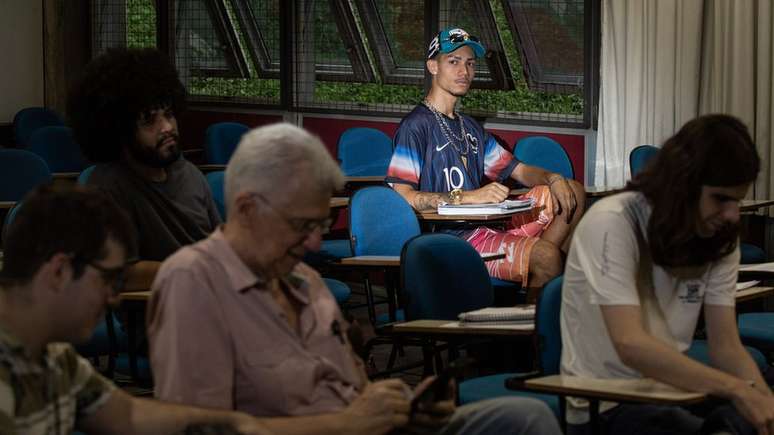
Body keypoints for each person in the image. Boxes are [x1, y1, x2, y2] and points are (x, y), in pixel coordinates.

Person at [148, 123, 562, 435]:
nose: (315, 241)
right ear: (247, 208)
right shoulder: (193, 282)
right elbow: (200, 427)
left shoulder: (305, 283)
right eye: (302, 223)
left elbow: (351, 388)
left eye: (324, 221)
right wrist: (345, 424)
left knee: (524, 416)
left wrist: (396, 405)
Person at [0, 184, 353, 434]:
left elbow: (134, 416)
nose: (113, 297)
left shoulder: (56, 363)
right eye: (109, 280)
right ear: (59, 271)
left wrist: (241, 423)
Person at [560, 114, 774, 434]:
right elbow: (630, 344)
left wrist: (763, 402)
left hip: (671, 391)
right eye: (721, 198)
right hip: (606, 403)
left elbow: (726, 347)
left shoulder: (720, 237)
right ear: (684, 185)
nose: (732, 214)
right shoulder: (613, 222)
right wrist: (738, 389)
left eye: (737, 200)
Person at [386, 27, 585, 296]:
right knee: (547, 257)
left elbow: (520, 171)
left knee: (572, 191)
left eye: (470, 63)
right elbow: (403, 197)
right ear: (433, 66)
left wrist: (554, 178)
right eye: (453, 62)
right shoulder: (415, 126)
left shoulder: (470, 127)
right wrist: (468, 197)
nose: (464, 71)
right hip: (453, 239)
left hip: (490, 225)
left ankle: (535, 279)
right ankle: (540, 275)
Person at [67, 47, 221, 290]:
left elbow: (219, 246)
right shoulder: (106, 188)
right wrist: (195, 270)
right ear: (119, 130)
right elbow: (119, 274)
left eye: (169, 114)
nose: (167, 127)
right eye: (149, 120)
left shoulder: (189, 173)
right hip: (158, 314)